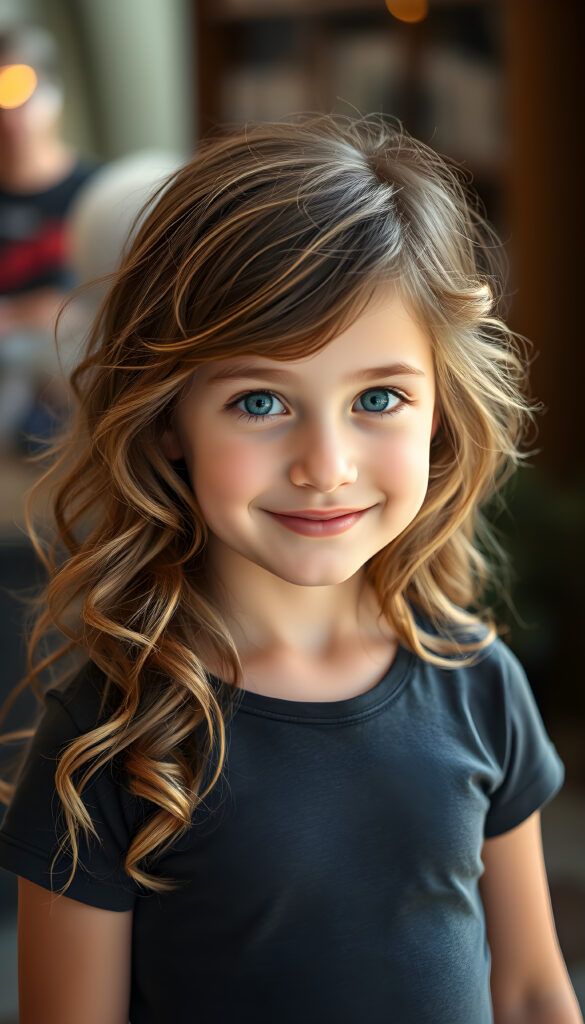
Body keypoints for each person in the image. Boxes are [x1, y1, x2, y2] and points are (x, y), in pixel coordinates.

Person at [0, 114, 581, 1024]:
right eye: (261, 401)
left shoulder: (479, 683)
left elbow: (533, 990)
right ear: (167, 421)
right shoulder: (104, 739)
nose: (325, 466)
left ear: (439, 411)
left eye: (377, 397)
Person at [0, 23, 99, 450]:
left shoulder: (99, 194)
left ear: (53, 95)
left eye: (19, 91)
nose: (9, 115)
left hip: (69, 365)